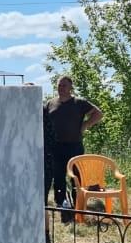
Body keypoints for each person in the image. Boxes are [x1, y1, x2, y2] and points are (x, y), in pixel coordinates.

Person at [43, 76, 104, 220]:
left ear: (71, 87)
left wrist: (85, 125)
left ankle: (79, 207)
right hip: (55, 147)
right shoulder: (50, 104)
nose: (61, 88)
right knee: (58, 178)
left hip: (74, 146)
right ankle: (62, 207)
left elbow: (98, 114)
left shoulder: (79, 103)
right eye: (59, 85)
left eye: (64, 85)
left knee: (76, 177)